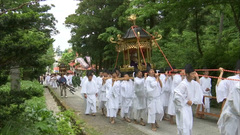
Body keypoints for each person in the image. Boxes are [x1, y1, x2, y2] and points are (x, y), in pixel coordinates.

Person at [173, 64, 203, 135]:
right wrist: (186, 101)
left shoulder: (193, 83)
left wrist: (197, 77)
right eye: (192, 74)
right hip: (183, 108)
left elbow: (198, 87)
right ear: (187, 74)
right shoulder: (183, 84)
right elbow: (177, 96)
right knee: (184, 126)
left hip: (188, 108)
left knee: (189, 125)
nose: (193, 75)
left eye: (194, 73)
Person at [217, 60, 240, 135]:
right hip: (233, 114)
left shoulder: (230, 78)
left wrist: (221, 73)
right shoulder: (234, 82)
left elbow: (219, 84)